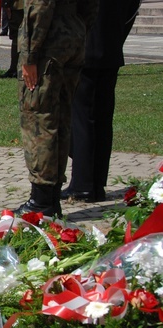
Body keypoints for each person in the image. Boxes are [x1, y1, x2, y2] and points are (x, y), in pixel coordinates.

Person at [14, 0, 98, 216]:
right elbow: (91, 6)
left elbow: (38, 6)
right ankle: (51, 195)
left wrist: (29, 55)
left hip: (48, 43)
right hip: (72, 37)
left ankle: (42, 200)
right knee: (61, 117)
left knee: (39, 119)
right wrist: (77, 28)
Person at [62, 0, 141, 203]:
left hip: (86, 49)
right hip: (111, 49)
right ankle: (97, 183)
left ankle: (82, 184)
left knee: (82, 119)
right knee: (102, 119)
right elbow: (131, 10)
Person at [0, 0, 23, 79]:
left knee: (16, 37)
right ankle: (18, 68)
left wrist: (6, 4)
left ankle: (14, 69)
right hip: (33, 6)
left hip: (17, 6)